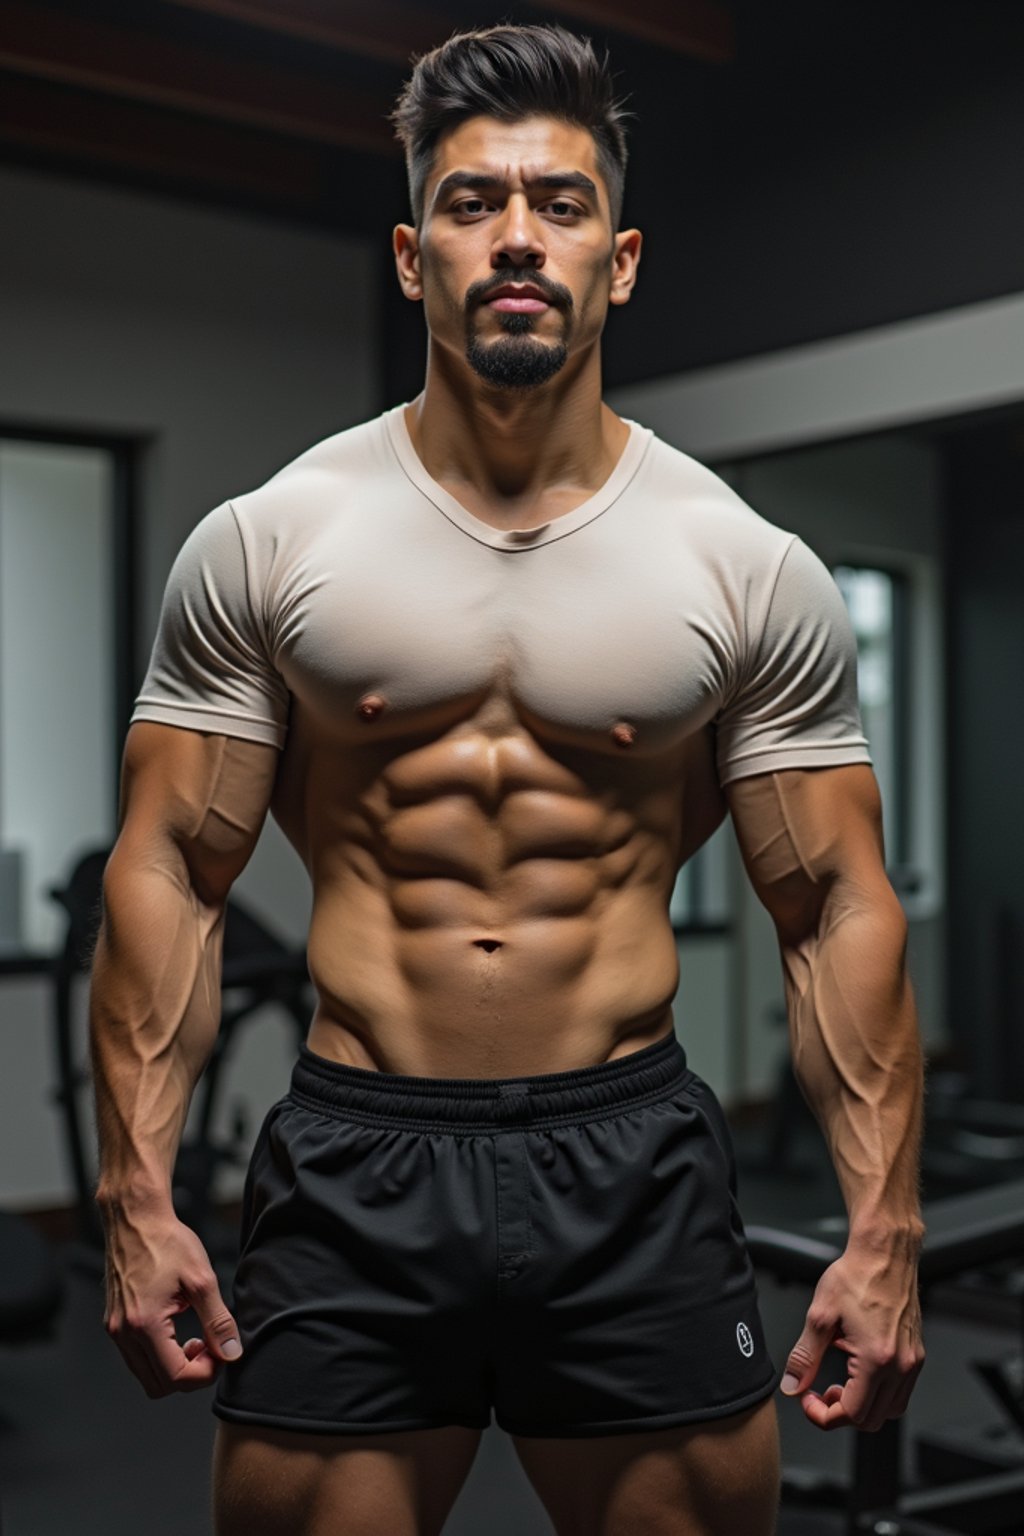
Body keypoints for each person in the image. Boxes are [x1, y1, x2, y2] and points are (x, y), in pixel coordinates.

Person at [89, 22, 925, 1536]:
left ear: (623, 257)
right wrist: (136, 1202)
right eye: (474, 203)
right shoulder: (271, 540)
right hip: (357, 1154)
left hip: (632, 1156)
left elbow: (829, 906)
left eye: (561, 202)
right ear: (414, 259)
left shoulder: (741, 565)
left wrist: (887, 1232)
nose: (518, 236)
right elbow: (167, 872)